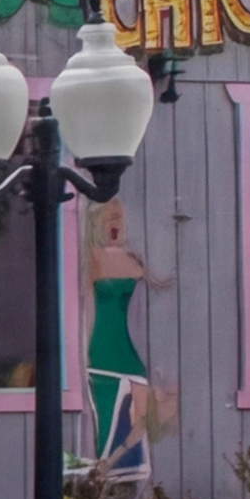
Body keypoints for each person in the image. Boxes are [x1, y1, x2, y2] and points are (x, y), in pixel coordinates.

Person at [78, 196, 169, 482]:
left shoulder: (133, 259)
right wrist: (80, 356)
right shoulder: (90, 257)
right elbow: (85, 310)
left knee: (140, 420)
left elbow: (159, 281)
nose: (115, 225)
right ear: (98, 224)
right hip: (100, 356)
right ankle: (101, 475)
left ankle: (114, 470)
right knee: (106, 423)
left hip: (129, 356)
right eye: (109, 220)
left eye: (120, 220)